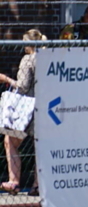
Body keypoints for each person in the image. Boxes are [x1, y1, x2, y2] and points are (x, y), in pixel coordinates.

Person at [0, 30, 46, 195]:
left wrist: (5, 79)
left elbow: (23, 86)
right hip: (47, 107)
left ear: (28, 44)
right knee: (40, 146)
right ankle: (38, 185)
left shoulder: (28, 60)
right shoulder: (48, 58)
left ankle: (14, 181)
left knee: (9, 140)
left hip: (27, 108)